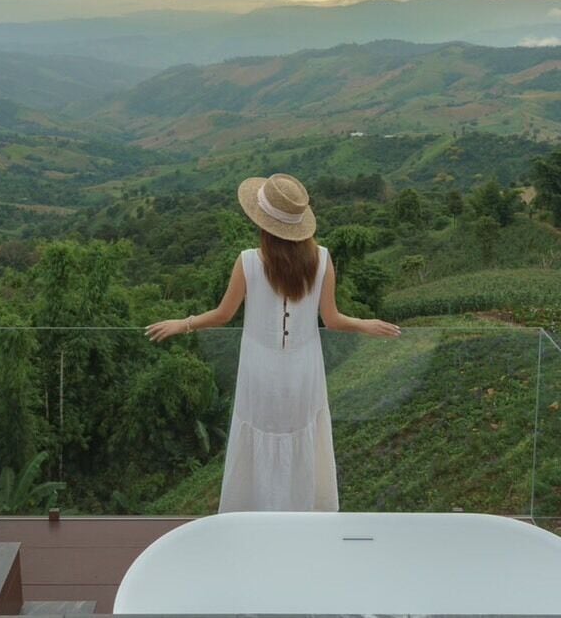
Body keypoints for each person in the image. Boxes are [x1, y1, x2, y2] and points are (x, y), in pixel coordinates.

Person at [146, 173, 401, 512]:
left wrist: (184, 323)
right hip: (304, 371)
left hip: (259, 371)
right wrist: (366, 325)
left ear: (263, 223)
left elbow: (223, 315)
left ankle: (258, 518)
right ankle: (302, 515)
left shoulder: (248, 262)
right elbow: (333, 320)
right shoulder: (322, 259)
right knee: (303, 437)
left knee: (259, 439)